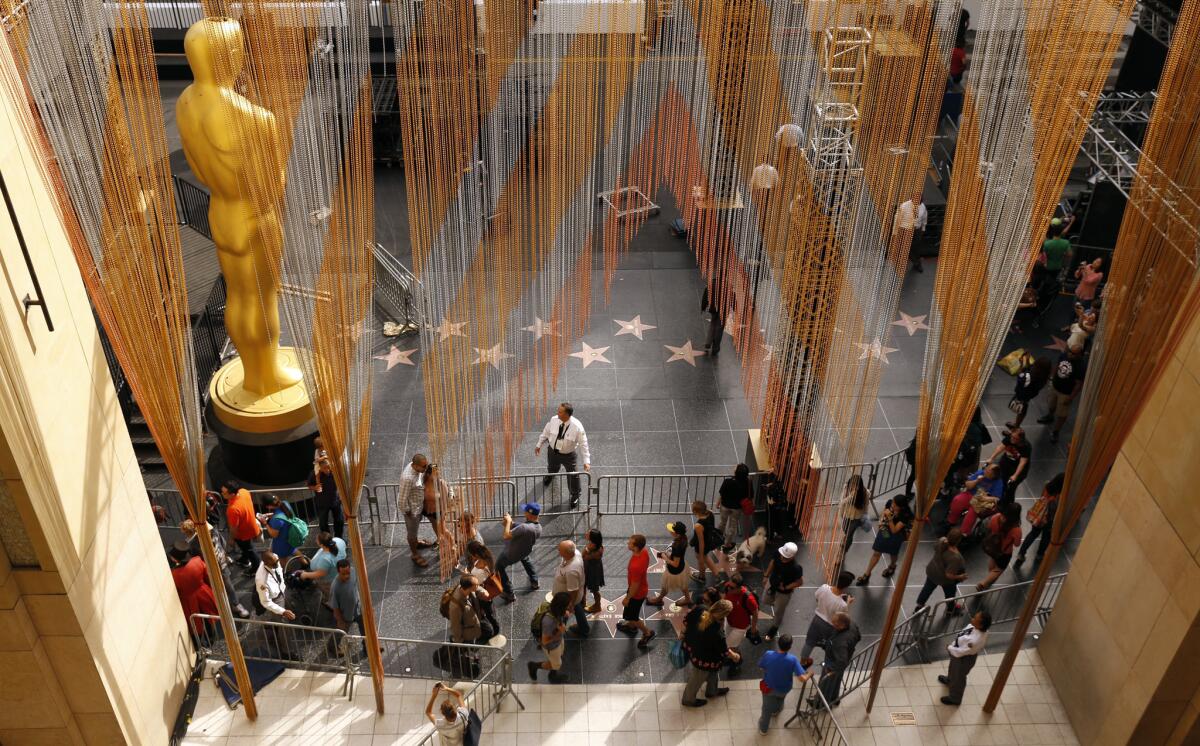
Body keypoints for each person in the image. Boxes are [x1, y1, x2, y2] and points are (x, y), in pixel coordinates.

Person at [180, 518, 250, 619]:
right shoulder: (214, 532)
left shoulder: (193, 544)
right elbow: (223, 543)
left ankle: (224, 607)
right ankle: (235, 605)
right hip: (220, 565)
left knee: (217, 589)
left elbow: (196, 558)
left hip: (210, 569)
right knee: (228, 586)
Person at [681, 600, 740, 707]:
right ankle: (688, 699)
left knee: (713, 672)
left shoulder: (700, 608)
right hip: (705, 659)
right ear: (725, 615)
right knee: (697, 678)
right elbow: (724, 651)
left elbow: (686, 620)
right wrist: (735, 656)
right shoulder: (717, 631)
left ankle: (712, 691)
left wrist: (683, 634)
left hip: (694, 649)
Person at [535, 402, 591, 508]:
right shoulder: (554, 419)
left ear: (567, 414)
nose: (558, 413)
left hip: (568, 455)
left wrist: (586, 461)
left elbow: (584, 444)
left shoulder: (577, 427)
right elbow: (546, 432)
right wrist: (539, 444)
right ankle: (551, 475)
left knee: (573, 475)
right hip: (553, 451)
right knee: (552, 466)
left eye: (560, 412)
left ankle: (575, 495)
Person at [756, 633, 812, 734]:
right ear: (790, 646)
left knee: (766, 709)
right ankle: (776, 710)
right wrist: (810, 674)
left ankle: (763, 729)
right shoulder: (792, 659)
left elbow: (761, 666)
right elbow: (802, 678)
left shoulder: (768, 654)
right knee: (780, 699)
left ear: (778, 643)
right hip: (784, 688)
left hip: (769, 688)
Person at [855, 495, 913, 585]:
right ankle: (867, 574)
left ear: (901, 506)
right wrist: (881, 522)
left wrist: (889, 518)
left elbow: (894, 530)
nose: (892, 505)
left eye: (895, 504)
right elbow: (883, 513)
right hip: (885, 530)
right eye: (893, 502)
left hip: (896, 536)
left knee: (893, 553)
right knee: (877, 552)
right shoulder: (890, 503)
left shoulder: (905, 514)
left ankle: (892, 565)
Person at [938, 610, 992, 705]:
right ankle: (950, 680)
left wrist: (950, 648)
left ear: (981, 625)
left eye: (975, 619)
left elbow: (961, 652)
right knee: (953, 669)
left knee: (959, 677)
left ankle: (955, 698)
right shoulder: (975, 627)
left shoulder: (975, 641)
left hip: (964, 658)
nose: (972, 619)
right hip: (958, 652)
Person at [1037, 343, 1087, 443]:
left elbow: (1078, 384)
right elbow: (1057, 366)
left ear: (1080, 355)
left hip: (1066, 393)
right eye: (1070, 352)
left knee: (1062, 414)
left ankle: (1056, 431)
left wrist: (1071, 397)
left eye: (1073, 354)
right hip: (1055, 386)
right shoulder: (1064, 355)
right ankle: (1050, 416)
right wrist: (1051, 378)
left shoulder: (1081, 366)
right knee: (1051, 405)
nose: (1070, 354)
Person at [168, 542, 219, 637]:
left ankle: (205, 639)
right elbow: (207, 577)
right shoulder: (197, 561)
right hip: (203, 592)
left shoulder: (174, 574)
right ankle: (211, 634)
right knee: (208, 615)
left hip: (189, 600)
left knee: (197, 622)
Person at [800, 570, 855, 659]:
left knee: (809, 642)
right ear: (847, 586)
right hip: (830, 626)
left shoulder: (824, 588)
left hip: (817, 620)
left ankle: (803, 662)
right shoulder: (842, 604)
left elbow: (817, 598)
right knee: (829, 647)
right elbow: (842, 617)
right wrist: (848, 603)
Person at [1015, 473, 1064, 567]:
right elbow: (1057, 507)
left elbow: (1042, 497)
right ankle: (1040, 555)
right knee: (1046, 536)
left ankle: (1021, 553)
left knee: (1033, 534)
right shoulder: (1060, 494)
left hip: (1039, 515)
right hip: (1050, 518)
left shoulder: (1047, 484)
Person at [496, 503, 542, 602]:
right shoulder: (538, 527)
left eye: (525, 511)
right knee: (526, 560)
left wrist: (508, 522)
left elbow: (506, 535)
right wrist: (511, 523)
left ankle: (509, 593)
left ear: (529, 514)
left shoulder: (524, 528)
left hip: (511, 554)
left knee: (499, 567)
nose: (524, 512)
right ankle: (535, 581)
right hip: (525, 551)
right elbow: (524, 528)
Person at [616, 534, 656, 647]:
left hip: (636, 594)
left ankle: (647, 633)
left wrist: (628, 598)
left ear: (636, 547)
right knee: (631, 614)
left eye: (630, 543)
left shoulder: (636, 566)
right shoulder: (644, 552)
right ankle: (632, 626)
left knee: (632, 616)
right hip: (640, 589)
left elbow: (635, 585)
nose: (628, 543)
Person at [255, 550, 296, 657]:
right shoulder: (261, 580)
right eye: (274, 564)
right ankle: (287, 651)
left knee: (290, 608)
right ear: (266, 563)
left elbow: (279, 572)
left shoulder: (275, 558)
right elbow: (266, 602)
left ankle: (274, 622)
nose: (277, 564)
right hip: (275, 599)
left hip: (282, 590)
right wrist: (282, 611)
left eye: (277, 561)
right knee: (284, 625)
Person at [398, 453, 436, 568]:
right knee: (412, 533)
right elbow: (401, 499)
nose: (426, 469)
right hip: (412, 511)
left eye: (426, 465)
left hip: (419, 506)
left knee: (415, 530)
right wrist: (408, 512)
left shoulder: (417, 469)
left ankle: (416, 543)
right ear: (415, 465)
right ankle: (414, 554)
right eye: (423, 467)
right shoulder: (407, 478)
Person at [915, 528, 967, 611]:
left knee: (927, 589)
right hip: (944, 579)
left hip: (932, 571)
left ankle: (919, 606)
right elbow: (949, 575)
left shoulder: (941, 540)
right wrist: (960, 576)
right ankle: (950, 609)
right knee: (950, 593)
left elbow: (935, 547)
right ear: (958, 541)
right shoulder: (955, 557)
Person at [815, 613, 860, 707]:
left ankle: (822, 703)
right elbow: (858, 637)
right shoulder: (852, 624)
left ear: (842, 626)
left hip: (833, 662)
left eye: (834, 623)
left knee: (826, 683)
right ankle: (834, 698)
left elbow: (841, 661)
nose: (832, 623)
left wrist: (830, 669)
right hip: (843, 660)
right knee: (836, 680)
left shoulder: (840, 643)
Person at [978, 503, 1022, 590]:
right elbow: (1017, 544)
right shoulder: (1016, 529)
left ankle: (990, 577)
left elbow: (989, 526)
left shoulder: (996, 517)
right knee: (998, 570)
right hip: (1005, 552)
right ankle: (984, 583)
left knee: (993, 560)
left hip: (993, 546)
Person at [763, 542, 803, 639]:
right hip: (772, 583)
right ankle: (777, 605)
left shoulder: (796, 568)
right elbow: (772, 563)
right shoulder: (778, 553)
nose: (782, 559)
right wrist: (766, 575)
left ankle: (774, 628)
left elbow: (799, 582)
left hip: (784, 592)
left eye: (786, 558)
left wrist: (786, 587)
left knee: (778, 612)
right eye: (782, 556)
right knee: (765, 600)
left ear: (792, 557)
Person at [529, 591, 571, 682]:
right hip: (551, 646)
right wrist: (559, 632)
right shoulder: (548, 622)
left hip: (558, 640)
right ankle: (534, 666)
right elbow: (545, 641)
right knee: (557, 664)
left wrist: (565, 616)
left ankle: (553, 669)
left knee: (560, 654)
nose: (569, 606)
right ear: (562, 607)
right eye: (568, 604)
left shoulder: (554, 609)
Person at [647, 522, 692, 607]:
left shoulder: (677, 546)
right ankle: (688, 599)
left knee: (665, 586)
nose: (670, 531)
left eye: (672, 530)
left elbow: (675, 564)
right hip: (682, 568)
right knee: (683, 584)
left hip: (674, 571)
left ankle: (658, 599)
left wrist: (665, 557)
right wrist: (667, 554)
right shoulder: (682, 538)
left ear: (677, 533)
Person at [329, 559, 367, 659]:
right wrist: (340, 620)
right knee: (341, 631)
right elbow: (335, 607)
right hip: (345, 615)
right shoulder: (335, 587)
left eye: (348, 573)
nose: (347, 576)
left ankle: (367, 646)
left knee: (365, 628)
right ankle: (332, 646)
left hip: (358, 609)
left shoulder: (354, 572)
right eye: (343, 574)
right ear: (338, 571)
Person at [221, 480, 261, 572]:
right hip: (251, 526)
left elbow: (233, 528)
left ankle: (256, 568)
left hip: (242, 534)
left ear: (232, 494)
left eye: (224, 493)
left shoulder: (233, 509)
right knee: (246, 548)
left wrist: (231, 539)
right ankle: (244, 559)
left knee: (250, 550)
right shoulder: (244, 492)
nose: (222, 494)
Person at [954, 463, 1004, 535]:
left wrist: (984, 498)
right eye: (986, 469)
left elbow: (997, 498)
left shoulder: (998, 482)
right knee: (957, 500)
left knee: (972, 513)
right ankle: (951, 521)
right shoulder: (980, 472)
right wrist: (977, 481)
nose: (985, 471)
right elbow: (968, 485)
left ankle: (963, 534)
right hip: (970, 494)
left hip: (980, 501)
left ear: (993, 475)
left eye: (987, 471)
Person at [553, 540, 590, 637]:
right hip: (572, 596)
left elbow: (573, 591)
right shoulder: (576, 553)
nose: (557, 550)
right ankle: (584, 628)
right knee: (578, 609)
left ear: (566, 553)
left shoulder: (572, 571)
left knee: (565, 611)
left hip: (567, 598)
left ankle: (561, 628)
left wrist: (570, 605)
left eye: (559, 549)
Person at [463, 540, 501, 633]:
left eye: (470, 554)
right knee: (488, 609)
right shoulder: (488, 559)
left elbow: (476, 582)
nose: (470, 556)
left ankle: (496, 630)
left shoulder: (480, 568)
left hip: (483, 593)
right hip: (486, 590)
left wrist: (467, 574)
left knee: (489, 614)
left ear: (475, 554)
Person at [300, 531, 349, 601]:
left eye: (317, 540)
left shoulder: (325, 559)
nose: (315, 540)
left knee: (330, 593)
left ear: (322, 545)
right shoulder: (338, 541)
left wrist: (305, 575)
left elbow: (320, 574)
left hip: (328, 580)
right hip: (337, 573)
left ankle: (332, 603)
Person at [1006, 356, 1051, 428]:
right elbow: (1029, 369)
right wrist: (1027, 361)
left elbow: (1020, 376)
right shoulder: (1043, 377)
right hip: (1028, 396)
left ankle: (1016, 428)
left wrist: (1021, 364)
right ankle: (1016, 424)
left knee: (1021, 411)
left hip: (1022, 395)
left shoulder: (1029, 377)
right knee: (1022, 411)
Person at [988, 426, 1031, 501]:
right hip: (1006, 463)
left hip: (1017, 469)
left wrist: (1015, 475)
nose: (1012, 439)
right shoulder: (1010, 438)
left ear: (1020, 439)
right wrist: (991, 458)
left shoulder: (1026, 446)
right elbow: (1000, 447)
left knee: (1010, 488)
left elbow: (1023, 462)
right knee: (1000, 481)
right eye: (1012, 437)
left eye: (1015, 438)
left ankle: (1008, 504)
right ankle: (997, 497)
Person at [722, 574, 759, 660]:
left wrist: (753, 628)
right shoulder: (728, 587)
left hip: (740, 627)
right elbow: (725, 598)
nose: (729, 588)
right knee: (727, 643)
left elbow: (755, 612)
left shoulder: (748, 598)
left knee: (730, 648)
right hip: (729, 621)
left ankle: (737, 662)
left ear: (739, 588)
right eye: (729, 586)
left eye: (732, 588)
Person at [688, 500, 724, 585]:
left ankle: (701, 577)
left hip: (702, 545)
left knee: (701, 559)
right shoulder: (710, 513)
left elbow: (701, 542)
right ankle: (717, 576)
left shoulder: (698, 525)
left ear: (695, 511)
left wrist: (700, 555)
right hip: (709, 540)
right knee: (706, 558)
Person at [258, 495, 303, 560]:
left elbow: (274, 535)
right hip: (291, 535)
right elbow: (285, 514)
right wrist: (272, 515)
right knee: (293, 550)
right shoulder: (285, 503)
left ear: (269, 506)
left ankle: (286, 570)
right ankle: (305, 563)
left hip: (282, 542)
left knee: (282, 558)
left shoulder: (276, 519)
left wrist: (265, 524)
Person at [307, 457, 343, 539]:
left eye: (328, 467)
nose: (327, 470)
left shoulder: (335, 472)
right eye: (324, 468)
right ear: (320, 468)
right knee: (323, 523)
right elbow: (309, 485)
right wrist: (315, 487)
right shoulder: (314, 474)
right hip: (322, 503)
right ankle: (328, 539)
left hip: (335, 501)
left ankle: (339, 538)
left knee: (339, 521)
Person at [447, 574, 490, 644]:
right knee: (470, 644)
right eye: (476, 585)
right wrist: (459, 641)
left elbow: (477, 588)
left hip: (476, 617)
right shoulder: (455, 606)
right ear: (469, 588)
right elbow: (455, 625)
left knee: (489, 631)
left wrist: (482, 591)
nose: (478, 585)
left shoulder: (464, 587)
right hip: (469, 628)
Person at [717, 464, 751, 548]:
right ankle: (727, 543)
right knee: (733, 525)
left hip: (725, 506)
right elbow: (750, 496)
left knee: (722, 522)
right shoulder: (748, 483)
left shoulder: (728, 481)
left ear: (736, 472)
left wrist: (718, 502)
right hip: (737, 508)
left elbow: (722, 493)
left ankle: (718, 539)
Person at [1036, 214, 1074, 289]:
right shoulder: (1065, 242)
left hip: (1046, 266)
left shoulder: (1047, 242)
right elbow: (1070, 254)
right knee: (1050, 283)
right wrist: (1071, 222)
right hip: (1057, 266)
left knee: (1041, 280)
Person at [893, 192, 928, 273]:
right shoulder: (904, 206)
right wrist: (895, 232)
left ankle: (916, 263)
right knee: (905, 248)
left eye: (921, 198)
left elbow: (924, 217)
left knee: (916, 248)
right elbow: (897, 219)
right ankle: (906, 265)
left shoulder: (922, 206)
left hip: (917, 230)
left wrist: (923, 228)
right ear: (912, 198)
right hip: (906, 229)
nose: (920, 200)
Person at [839, 474, 870, 555]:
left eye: (855, 485)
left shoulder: (865, 493)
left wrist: (865, 517)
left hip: (857, 518)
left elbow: (866, 506)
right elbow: (842, 502)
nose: (853, 486)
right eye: (852, 484)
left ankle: (844, 551)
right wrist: (850, 497)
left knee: (849, 535)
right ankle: (845, 539)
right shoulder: (846, 488)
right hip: (846, 515)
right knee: (845, 530)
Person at [582, 528, 605, 614]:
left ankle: (597, 605)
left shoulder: (596, 550)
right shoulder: (594, 545)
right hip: (589, 568)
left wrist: (587, 549)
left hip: (593, 571)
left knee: (595, 590)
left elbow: (583, 556)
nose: (586, 533)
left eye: (588, 534)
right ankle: (583, 602)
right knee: (584, 585)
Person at [700, 282, 725, 357]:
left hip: (713, 308)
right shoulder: (727, 285)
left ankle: (708, 342)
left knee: (712, 324)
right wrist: (735, 308)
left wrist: (703, 307)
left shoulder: (711, 284)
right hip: (723, 309)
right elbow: (732, 297)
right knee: (719, 329)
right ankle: (715, 348)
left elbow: (705, 295)